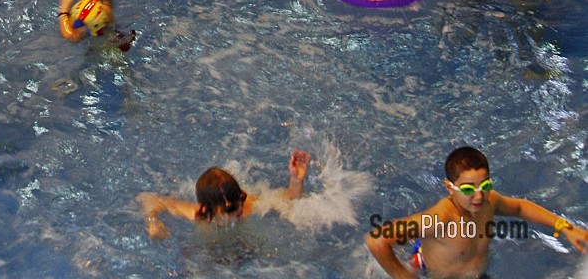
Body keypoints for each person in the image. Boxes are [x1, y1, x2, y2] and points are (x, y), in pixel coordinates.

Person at [365, 145, 587, 276]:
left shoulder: (488, 201)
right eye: (469, 189)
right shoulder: (440, 219)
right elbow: (376, 240)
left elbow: (520, 207)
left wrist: (565, 226)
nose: (479, 195)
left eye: (485, 185)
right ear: (449, 188)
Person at [137, 151, 311, 239]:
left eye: (240, 200)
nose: (239, 209)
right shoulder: (197, 215)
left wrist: (296, 180)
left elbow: (290, 201)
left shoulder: (248, 205)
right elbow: (149, 199)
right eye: (229, 208)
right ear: (208, 209)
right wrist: (153, 223)